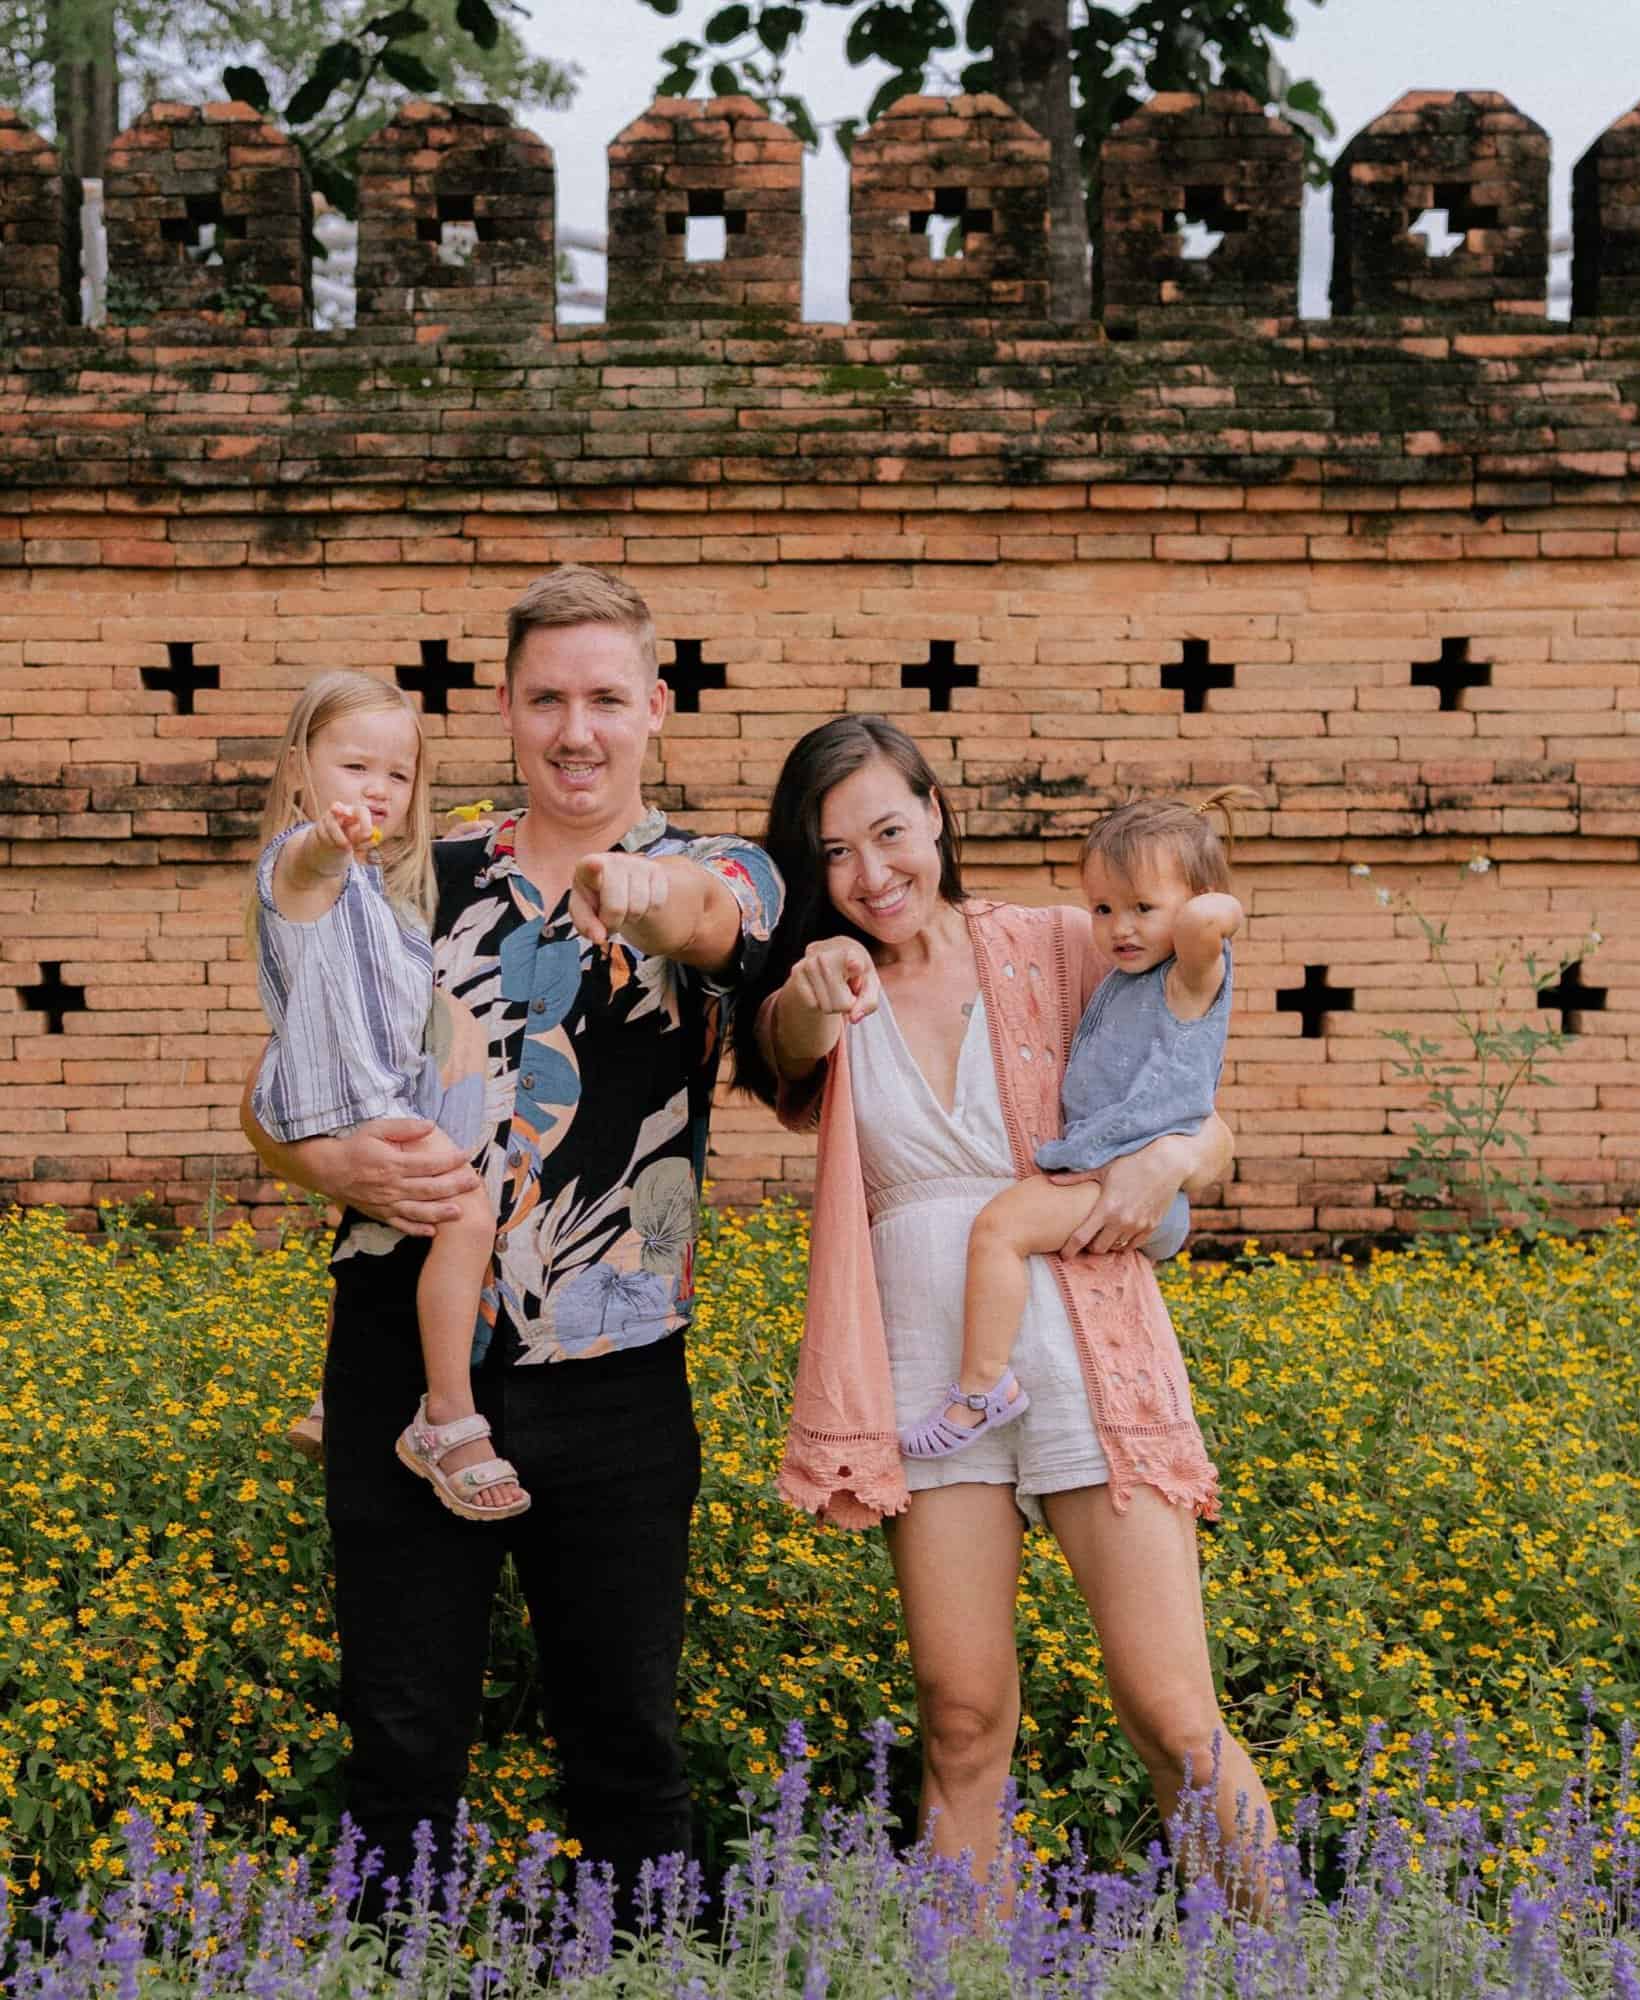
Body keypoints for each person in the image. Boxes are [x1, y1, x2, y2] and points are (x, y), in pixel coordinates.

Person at [242, 566, 782, 1900]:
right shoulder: (421, 868)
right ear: (504, 707)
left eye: (606, 697)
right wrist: (315, 1156)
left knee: (624, 1742)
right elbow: (285, 1077)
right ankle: (391, 1969)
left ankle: (646, 1974)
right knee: (403, 1740)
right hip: (396, 1354)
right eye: (546, 698)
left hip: (614, 1378)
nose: (576, 728)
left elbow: (710, 928)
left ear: (656, 707)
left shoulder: (720, 869)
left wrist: (630, 892)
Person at [731, 717, 1277, 1901]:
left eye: (889, 830)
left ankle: (1285, 1965)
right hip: (931, 1376)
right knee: (964, 1716)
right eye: (836, 853)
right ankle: (953, 1964)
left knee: (1174, 1710)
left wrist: (1174, 1158)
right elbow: (784, 1046)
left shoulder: (1055, 940)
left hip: (1089, 1344)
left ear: (936, 812)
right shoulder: (824, 985)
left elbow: (1203, 1092)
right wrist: (814, 990)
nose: (873, 873)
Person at [246, 672, 521, 1519]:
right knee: (467, 1216)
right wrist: (328, 842)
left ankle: (335, 1403)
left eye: (396, 776)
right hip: (347, 1097)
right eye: (354, 765)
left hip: (375, 1089)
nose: (376, 789)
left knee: (379, 1231)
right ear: (300, 770)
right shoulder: (302, 866)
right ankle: (445, 1416)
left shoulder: (384, 894)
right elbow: (303, 868)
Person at [898, 795, 1244, 1460]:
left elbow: (1206, 920)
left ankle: (980, 1391)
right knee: (1005, 1232)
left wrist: (1211, 899)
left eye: (1143, 907)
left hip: (1132, 1177)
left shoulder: (1188, 977)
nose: (1120, 927)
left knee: (998, 1229)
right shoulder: (1124, 978)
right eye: (1103, 908)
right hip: (1103, 1168)